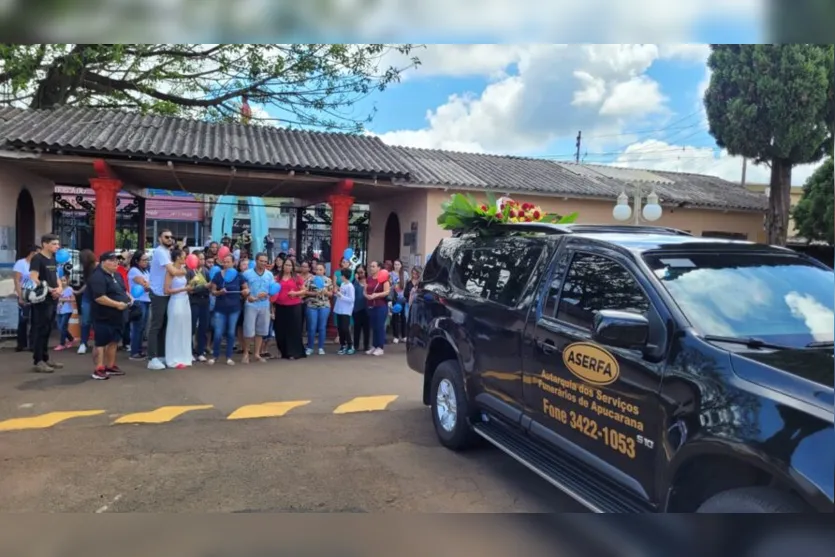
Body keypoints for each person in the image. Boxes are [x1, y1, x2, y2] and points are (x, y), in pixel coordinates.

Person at [86, 251, 131, 380]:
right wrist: (117, 304)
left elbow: (123, 290)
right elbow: (100, 297)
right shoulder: (97, 277)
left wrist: (129, 298)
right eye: (111, 260)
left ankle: (110, 366)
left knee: (114, 340)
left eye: (117, 260)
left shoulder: (117, 275)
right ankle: (98, 368)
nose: (115, 263)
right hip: (103, 315)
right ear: (103, 262)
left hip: (118, 315)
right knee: (101, 342)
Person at [147, 229, 183, 370]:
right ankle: (152, 358)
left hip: (166, 293)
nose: (170, 239)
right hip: (158, 293)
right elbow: (173, 271)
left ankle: (161, 355)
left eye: (171, 236)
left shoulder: (167, 252)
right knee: (156, 325)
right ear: (159, 238)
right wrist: (185, 271)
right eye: (166, 237)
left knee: (163, 325)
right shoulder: (160, 252)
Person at [28, 233, 63, 373]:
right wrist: (49, 289)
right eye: (54, 244)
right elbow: (33, 278)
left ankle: (45, 357)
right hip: (42, 299)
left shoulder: (53, 259)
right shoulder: (37, 258)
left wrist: (59, 288)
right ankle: (38, 360)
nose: (57, 246)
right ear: (44, 244)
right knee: (40, 329)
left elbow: (56, 277)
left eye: (57, 244)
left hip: (53, 299)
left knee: (48, 329)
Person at [209, 254, 248, 365]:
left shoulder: (239, 275)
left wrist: (246, 292)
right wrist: (219, 292)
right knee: (218, 333)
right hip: (220, 308)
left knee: (231, 333)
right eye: (224, 262)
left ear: (233, 263)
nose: (225, 264)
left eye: (228, 262)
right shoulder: (217, 275)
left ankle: (229, 357)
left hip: (234, 308)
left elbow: (246, 288)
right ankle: (215, 356)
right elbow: (213, 292)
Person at [163, 248, 194, 369]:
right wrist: (183, 289)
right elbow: (166, 290)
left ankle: (184, 355)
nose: (185, 259)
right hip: (175, 301)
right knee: (175, 329)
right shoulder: (170, 272)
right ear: (177, 258)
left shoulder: (183, 270)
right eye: (184, 257)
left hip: (185, 301)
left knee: (185, 329)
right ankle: (173, 357)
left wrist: (189, 287)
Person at [272, 258, 307, 360]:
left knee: (293, 330)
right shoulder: (277, 278)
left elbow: (304, 290)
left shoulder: (297, 278)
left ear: (293, 267)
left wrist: (295, 293)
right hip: (280, 306)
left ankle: (293, 352)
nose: (288, 267)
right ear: (283, 266)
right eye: (286, 265)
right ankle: (283, 351)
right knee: (280, 330)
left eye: (290, 265)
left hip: (294, 306)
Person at [241, 252, 272, 364]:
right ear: (256, 260)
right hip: (251, 305)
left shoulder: (269, 274)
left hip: (264, 305)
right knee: (248, 331)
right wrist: (249, 297)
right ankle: (245, 353)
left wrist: (267, 294)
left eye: (265, 261)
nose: (263, 263)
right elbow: (243, 289)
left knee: (261, 331)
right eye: (261, 261)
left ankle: (257, 354)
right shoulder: (247, 273)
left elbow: (273, 290)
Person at [303, 262, 333, 356]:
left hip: (324, 306)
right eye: (317, 269)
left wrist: (326, 292)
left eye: (321, 269)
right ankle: (310, 347)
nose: (319, 271)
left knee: (322, 327)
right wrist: (314, 294)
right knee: (312, 327)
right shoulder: (310, 279)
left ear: (324, 270)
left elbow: (331, 294)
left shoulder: (328, 280)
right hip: (312, 305)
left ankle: (321, 347)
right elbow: (305, 291)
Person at [13, 245, 38, 352]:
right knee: (23, 319)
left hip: (36, 294)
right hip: (24, 292)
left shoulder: (37, 264)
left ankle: (33, 344)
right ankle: (21, 343)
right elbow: (17, 280)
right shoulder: (21, 263)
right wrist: (20, 295)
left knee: (35, 320)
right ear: (32, 253)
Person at [127, 250, 151, 360]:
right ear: (137, 261)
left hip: (146, 300)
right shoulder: (134, 271)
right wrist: (150, 285)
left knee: (142, 327)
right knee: (138, 327)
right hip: (138, 301)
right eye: (144, 260)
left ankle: (139, 350)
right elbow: (144, 284)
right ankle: (134, 351)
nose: (146, 262)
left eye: (147, 260)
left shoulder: (145, 271)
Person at [188, 251, 211, 361]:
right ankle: (189, 351)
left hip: (205, 301)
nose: (202, 261)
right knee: (192, 327)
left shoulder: (206, 271)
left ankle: (200, 351)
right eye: (199, 259)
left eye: (203, 259)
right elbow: (190, 289)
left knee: (203, 326)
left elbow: (210, 284)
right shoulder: (189, 272)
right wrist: (204, 287)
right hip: (194, 301)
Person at [364, 260, 390, 356]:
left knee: (380, 326)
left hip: (381, 306)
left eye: (373, 266)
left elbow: (387, 291)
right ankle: (374, 346)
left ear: (379, 268)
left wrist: (376, 295)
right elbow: (365, 291)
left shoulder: (384, 279)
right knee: (373, 326)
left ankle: (380, 347)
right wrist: (367, 296)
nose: (371, 268)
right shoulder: (369, 279)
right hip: (370, 305)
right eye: (371, 266)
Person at [75, 249, 98, 355]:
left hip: (93, 297)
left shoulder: (96, 267)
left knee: (87, 321)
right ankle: (84, 343)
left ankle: (84, 343)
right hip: (90, 297)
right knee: (88, 321)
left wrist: (78, 292)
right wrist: (79, 291)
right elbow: (88, 283)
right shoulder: (90, 268)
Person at [333, 268, 355, 355]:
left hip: (346, 310)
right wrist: (337, 293)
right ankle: (342, 345)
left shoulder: (350, 286)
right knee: (340, 328)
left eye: (341, 275)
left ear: (344, 276)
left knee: (345, 328)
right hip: (339, 309)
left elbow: (351, 299)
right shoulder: (342, 284)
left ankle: (350, 345)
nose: (340, 277)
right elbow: (340, 295)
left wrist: (340, 295)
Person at [54, 275, 75, 351]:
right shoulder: (57, 289)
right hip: (59, 310)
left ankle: (62, 343)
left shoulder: (69, 289)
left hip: (67, 310)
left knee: (62, 327)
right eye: (61, 280)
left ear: (67, 281)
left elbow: (73, 299)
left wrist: (64, 299)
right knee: (60, 327)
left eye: (64, 280)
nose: (63, 282)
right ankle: (71, 339)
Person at [352, 265, 370, 353]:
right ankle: (355, 345)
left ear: (365, 272)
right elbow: (352, 291)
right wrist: (355, 280)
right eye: (358, 272)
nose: (360, 274)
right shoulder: (354, 282)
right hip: (357, 308)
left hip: (367, 308)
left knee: (367, 328)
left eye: (362, 272)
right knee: (357, 328)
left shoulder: (369, 281)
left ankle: (366, 346)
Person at [389, 259, 407, 344]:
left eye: (398, 264)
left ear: (401, 265)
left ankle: (404, 335)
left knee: (403, 317)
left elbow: (407, 286)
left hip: (403, 298)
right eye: (395, 264)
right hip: (395, 298)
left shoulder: (405, 274)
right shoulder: (390, 274)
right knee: (395, 317)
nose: (396, 266)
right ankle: (396, 336)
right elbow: (389, 287)